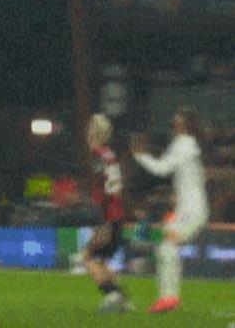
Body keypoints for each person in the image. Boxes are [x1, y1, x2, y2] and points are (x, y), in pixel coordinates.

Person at [131, 107, 209, 313]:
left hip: (192, 211)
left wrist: (140, 156)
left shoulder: (184, 144)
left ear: (185, 124)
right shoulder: (187, 144)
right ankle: (170, 298)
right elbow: (192, 177)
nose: (174, 121)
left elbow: (162, 168)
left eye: (178, 119)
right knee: (166, 248)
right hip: (188, 209)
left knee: (167, 248)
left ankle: (169, 298)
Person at [83, 113, 133, 313]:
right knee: (102, 262)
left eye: (90, 130)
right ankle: (124, 300)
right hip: (117, 215)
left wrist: (104, 219)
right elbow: (116, 188)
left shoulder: (97, 156)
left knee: (88, 258)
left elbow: (106, 190)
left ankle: (112, 295)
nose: (88, 134)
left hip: (108, 216)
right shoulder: (110, 155)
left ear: (95, 133)